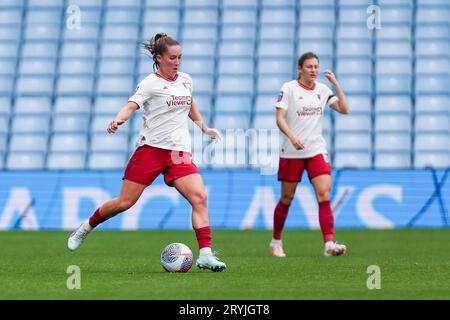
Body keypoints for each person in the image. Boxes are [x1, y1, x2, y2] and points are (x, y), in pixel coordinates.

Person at [67, 33, 226, 272]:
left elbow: (189, 103)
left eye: (180, 57)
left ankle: (205, 254)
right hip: (151, 150)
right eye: (172, 57)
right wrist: (118, 120)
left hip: (178, 152)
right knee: (124, 202)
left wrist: (204, 126)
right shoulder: (150, 83)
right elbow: (131, 106)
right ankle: (86, 227)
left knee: (200, 197)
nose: (177, 62)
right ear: (159, 58)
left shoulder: (185, 80)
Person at [270, 52, 349, 257]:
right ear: (300, 69)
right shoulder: (289, 88)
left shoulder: (323, 90)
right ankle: (276, 241)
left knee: (324, 194)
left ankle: (329, 244)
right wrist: (292, 136)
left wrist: (335, 84)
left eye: (316, 66)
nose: (313, 70)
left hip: (316, 150)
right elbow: (280, 118)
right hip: (292, 151)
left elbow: (344, 109)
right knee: (287, 197)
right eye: (309, 67)